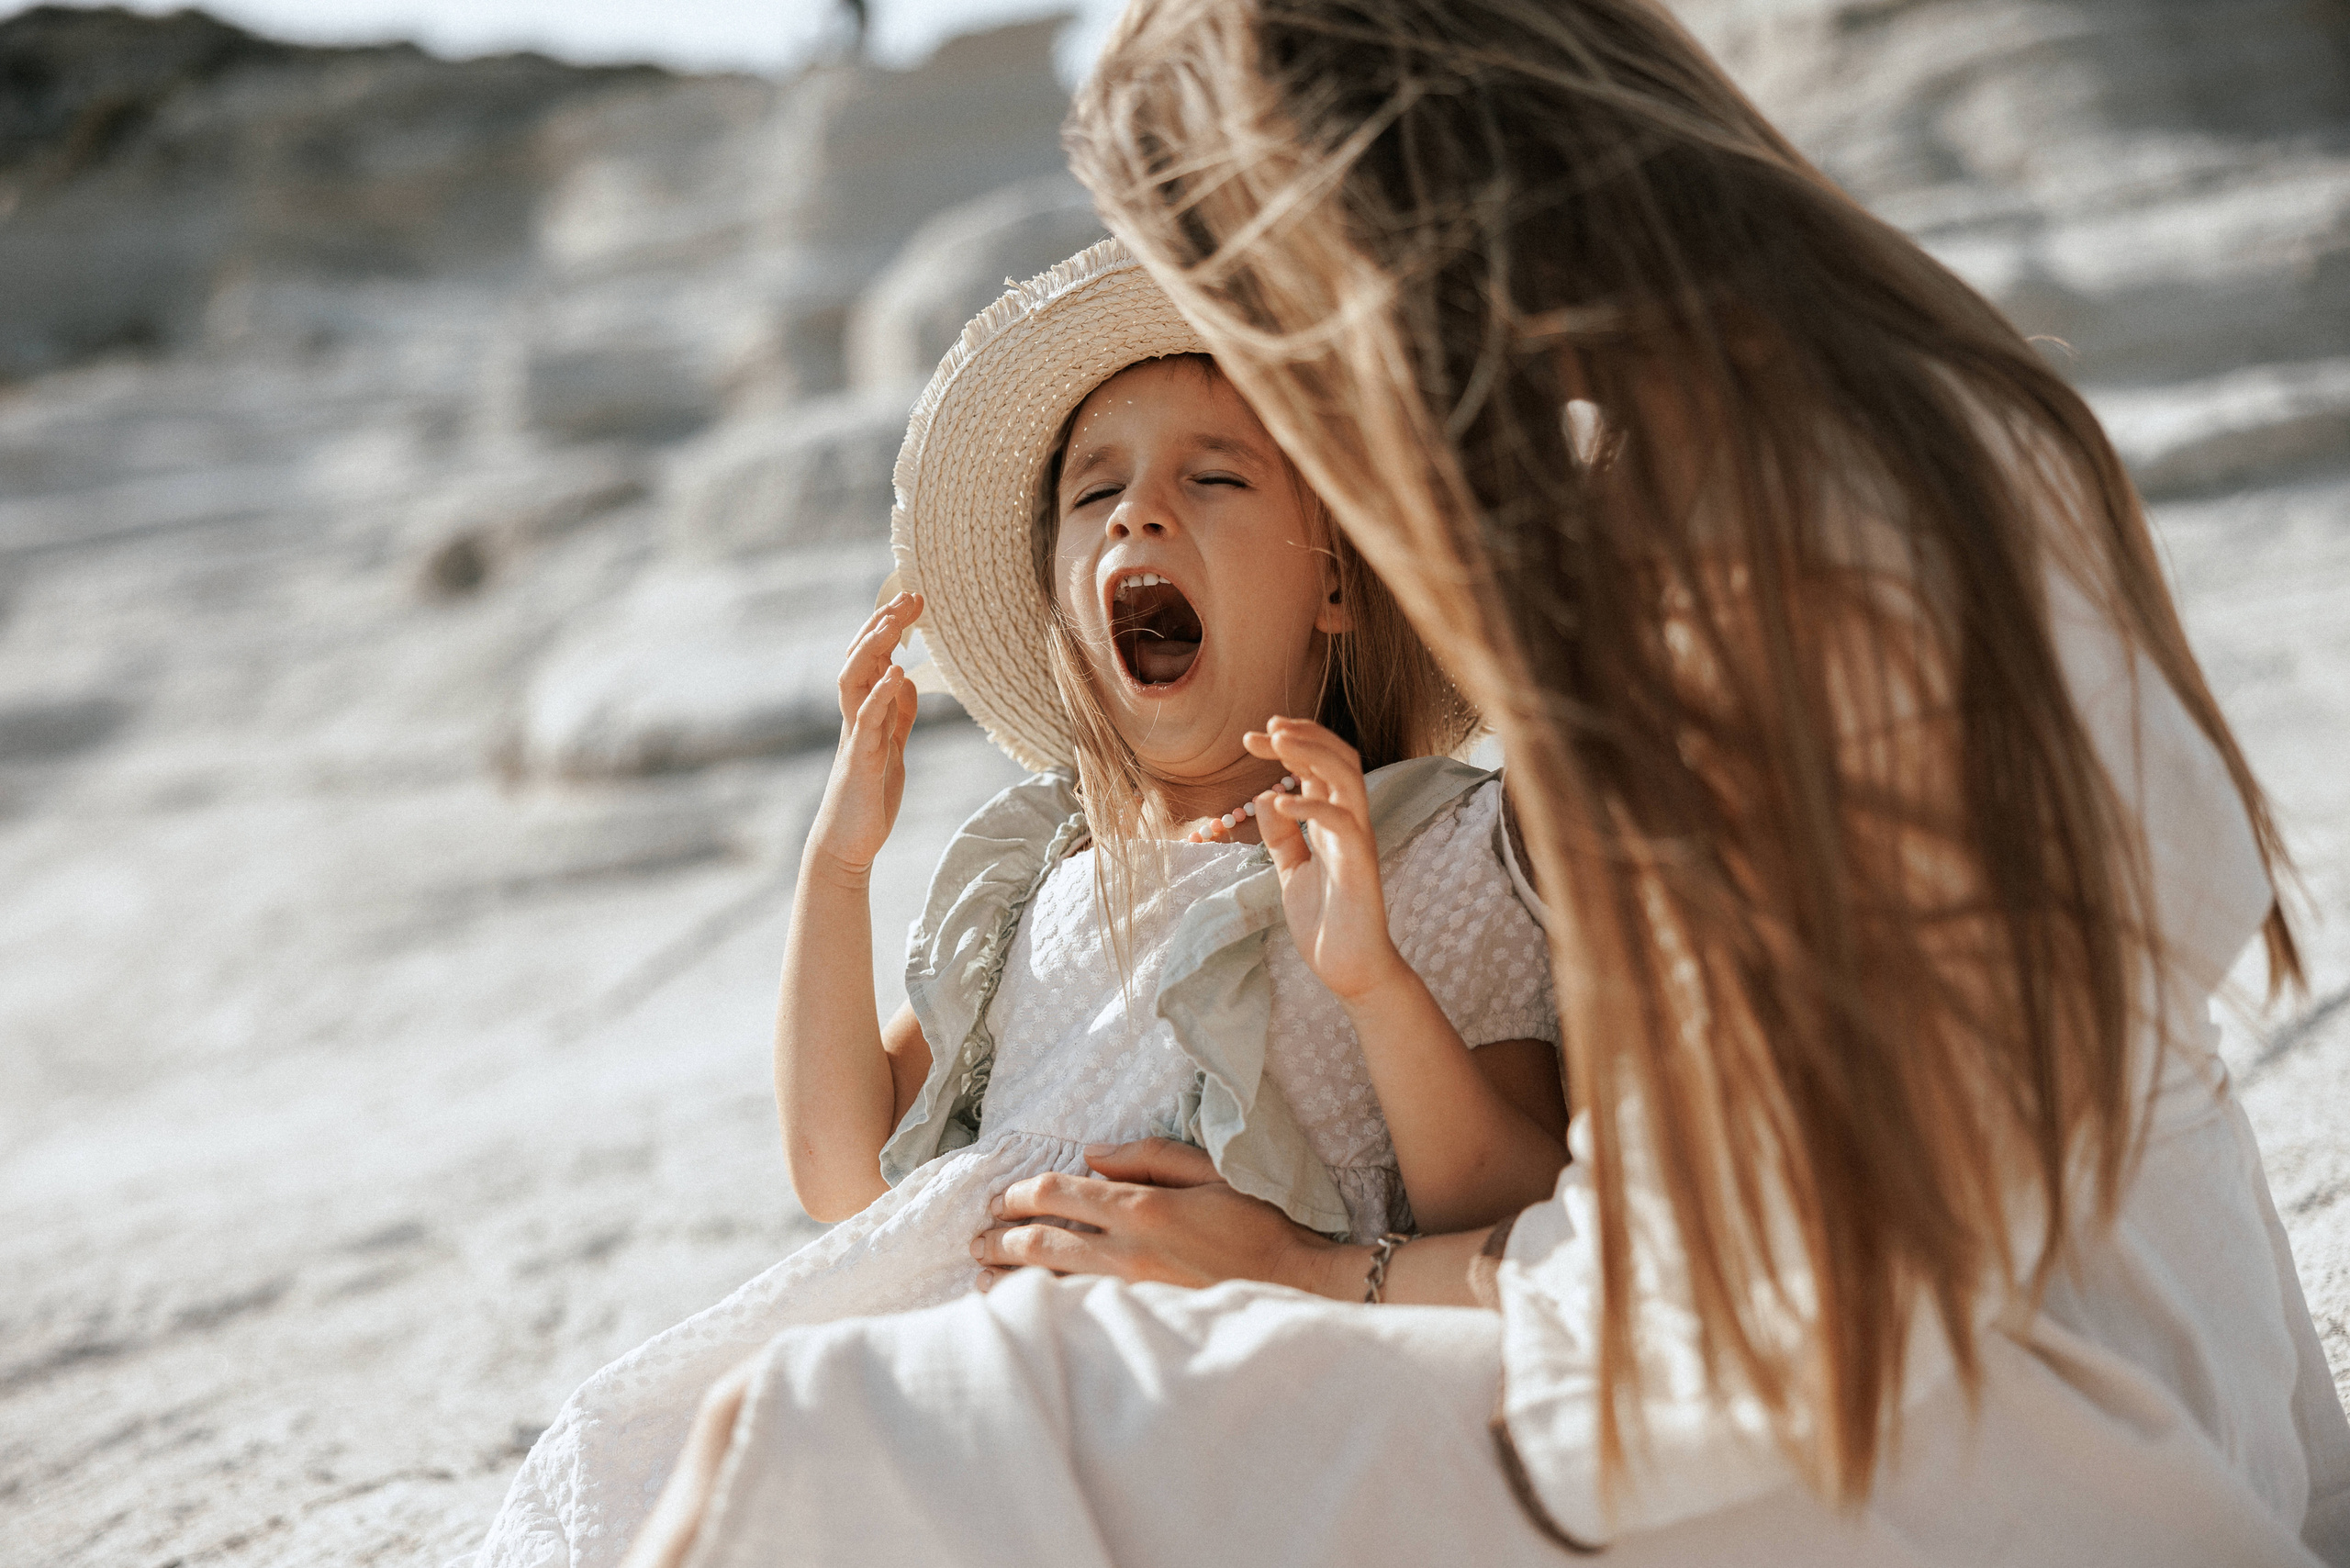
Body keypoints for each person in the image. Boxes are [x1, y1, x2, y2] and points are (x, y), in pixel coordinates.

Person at [618, 2, 2350, 1564]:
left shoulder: (1757, 579)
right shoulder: (1904, 425)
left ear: (1359, 258)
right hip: (2096, 1374)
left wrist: (1315, 1282)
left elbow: (1760, 1290)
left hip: (1988, 1459)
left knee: (896, 1427)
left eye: (1241, 303)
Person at [470, 241, 1570, 1568]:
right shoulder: (1044, 870)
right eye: (1094, 491)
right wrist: (837, 867)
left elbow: (1509, 1201)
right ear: (1064, 603)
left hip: (1194, 1346)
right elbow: (840, 1168)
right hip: (960, 1314)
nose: (1137, 518)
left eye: (1212, 478)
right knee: (628, 1444)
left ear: (1337, 582)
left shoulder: (1432, 847)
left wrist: (1374, 982)